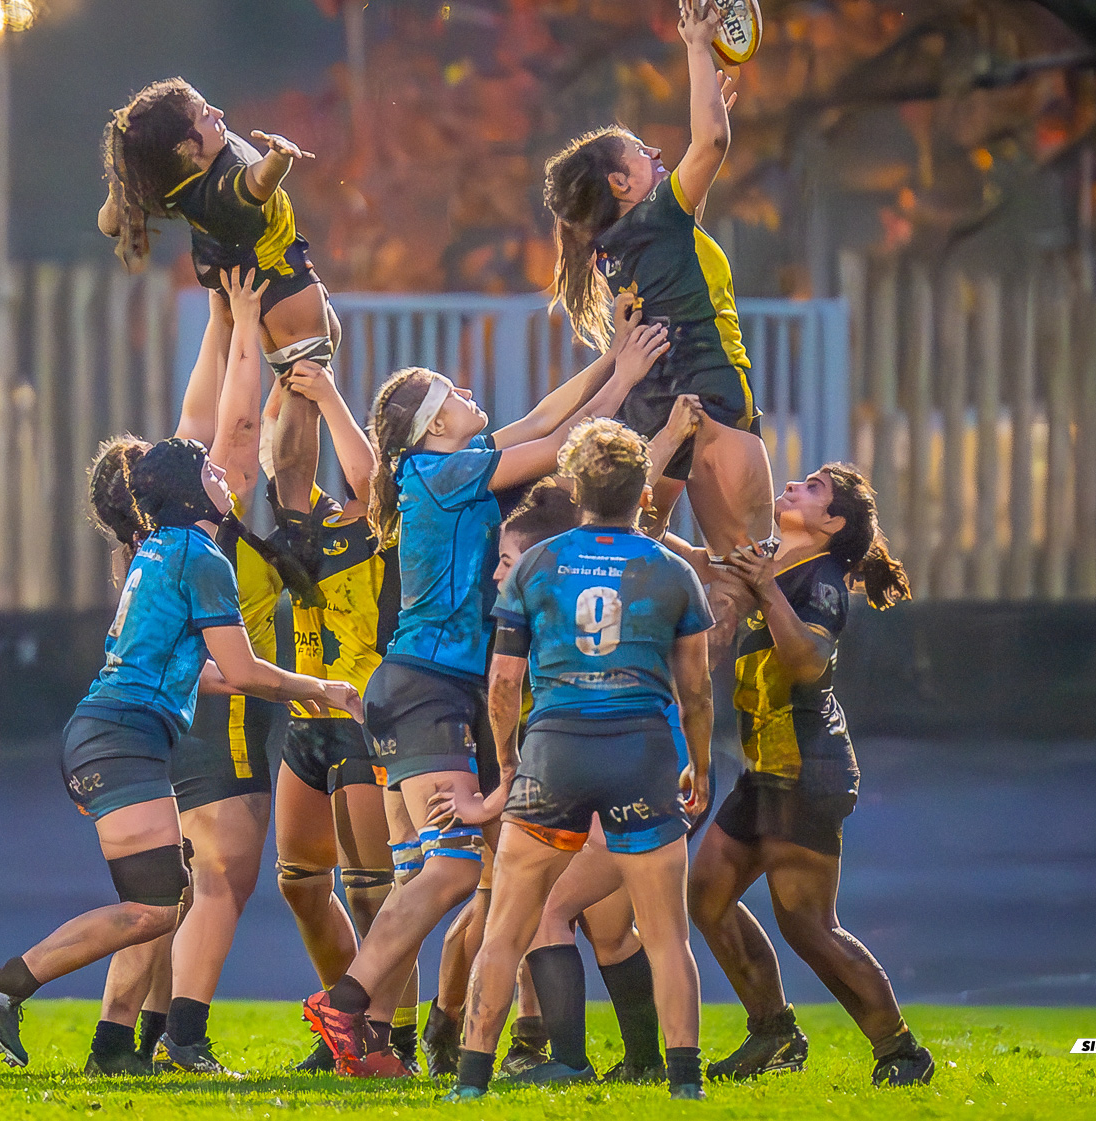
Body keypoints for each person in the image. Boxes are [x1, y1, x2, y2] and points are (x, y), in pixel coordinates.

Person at [302, 309, 669, 1078]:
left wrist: (608, 363)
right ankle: (348, 1000)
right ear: (433, 425)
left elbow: (539, 419)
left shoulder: (441, 466)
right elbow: (560, 446)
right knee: (455, 870)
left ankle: (367, 1039)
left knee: (432, 872)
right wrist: (625, 379)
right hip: (430, 686)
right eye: (452, 392)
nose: (469, 392)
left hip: (422, 687)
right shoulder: (443, 471)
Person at [0, 438, 363, 1071]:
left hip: (115, 734)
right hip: (122, 738)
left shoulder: (157, 551)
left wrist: (291, 688)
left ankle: (115, 1050)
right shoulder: (201, 556)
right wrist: (319, 688)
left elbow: (201, 672)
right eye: (209, 469)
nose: (222, 475)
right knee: (152, 907)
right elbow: (239, 667)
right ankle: (4, 987)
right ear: (187, 492)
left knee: (166, 894)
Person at [427, 418, 714, 1102]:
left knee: (509, 924)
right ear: (644, 493)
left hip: (555, 748)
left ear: (578, 488)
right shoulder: (672, 569)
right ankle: (684, 1085)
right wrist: (699, 765)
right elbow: (697, 689)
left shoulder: (536, 563)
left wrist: (508, 761)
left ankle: (470, 1081)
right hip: (641, 750)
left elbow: (503, 683)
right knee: (667, 932)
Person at [81, 268, 296, 1077]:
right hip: (212, 714)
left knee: (171, 892)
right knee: (219, 882)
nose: (187, 449)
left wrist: (217, 317)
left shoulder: (152, 539)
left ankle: (129, 1036)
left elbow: (201, 416)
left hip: (166, 716)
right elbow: (232, 421)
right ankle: (181, 1041)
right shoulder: (196, 526)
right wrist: (242, 323)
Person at [684, 464, 935, 1088]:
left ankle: (900, 1051)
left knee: (807, 925)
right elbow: (697, 558)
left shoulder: (819, 580)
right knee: (706, 894)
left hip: (807, 767)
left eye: (815, 487)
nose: (795, 485)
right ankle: (773, 1032)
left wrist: (766, 592)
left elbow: (807, 663)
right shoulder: (770, 559)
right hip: (765, 769)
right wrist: (631, 522)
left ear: (833, 524)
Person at [541, 0, 771, 647]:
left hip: (656, 413)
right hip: (715, 399)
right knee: (747, 581)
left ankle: (634, 711)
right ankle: (738, 737)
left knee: (633, 567)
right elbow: (714, 141)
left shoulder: (623, 245)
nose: (657, 154)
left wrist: (706, 105)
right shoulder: (655, 221)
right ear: (619, 185)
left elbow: (691, 213)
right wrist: (697, 43)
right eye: (643, 151)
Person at [98, 77, 336, 528]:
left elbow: (111, 223)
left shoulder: (171, 176)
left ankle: (290, 499)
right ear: (186, 150)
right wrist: (280, 159)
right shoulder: (219, 191)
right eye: (206, 115)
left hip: (252, 270)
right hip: (272, 279)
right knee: (305, 388)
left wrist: (121, 184)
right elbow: (257, 185)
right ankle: (298, 521)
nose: (219, 115)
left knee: (303, 376)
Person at [266, 363, 409, 1073]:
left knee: (375, 887)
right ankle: (345, 1022)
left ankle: (396, 1035)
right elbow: (288, 460)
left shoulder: (397, 518)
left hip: (366, 711)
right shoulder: (311, 519)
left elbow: (373, 485)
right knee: (298, 881)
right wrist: (291, 377)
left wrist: (327, 392)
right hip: (306, 717)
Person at [420, 478, 578, 1079]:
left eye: (506, 561)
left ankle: (523, 1042)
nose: (494, 575)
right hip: (516, 758)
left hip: (550, 763)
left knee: (534, 908)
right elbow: (503, 692)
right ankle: (452, 1029)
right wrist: (501, 784)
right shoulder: (519, 611)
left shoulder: (572, 596)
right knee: (500, 904)